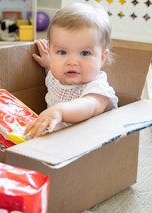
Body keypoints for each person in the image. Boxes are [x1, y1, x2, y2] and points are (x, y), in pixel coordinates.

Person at [25, 2, 118, 138]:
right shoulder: (57, 75)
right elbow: (51, 77)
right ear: (50, 52)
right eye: (62, 52)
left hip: (86, 143)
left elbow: (89, 106)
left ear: (102, 58)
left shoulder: (98, 90)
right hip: (55, 139)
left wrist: (59, 111)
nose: (72, 62)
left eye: (85, 53)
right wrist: (48, 65)